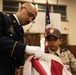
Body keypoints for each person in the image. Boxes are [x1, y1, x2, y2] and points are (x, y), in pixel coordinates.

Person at [0, 2, 46, 75]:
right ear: (21, 8)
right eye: (30, 15)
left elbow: (16, 55)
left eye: (33, 18)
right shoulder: (3, 18)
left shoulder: (20, 31)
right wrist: (25, 48)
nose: (30, 20)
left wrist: (24, 65)